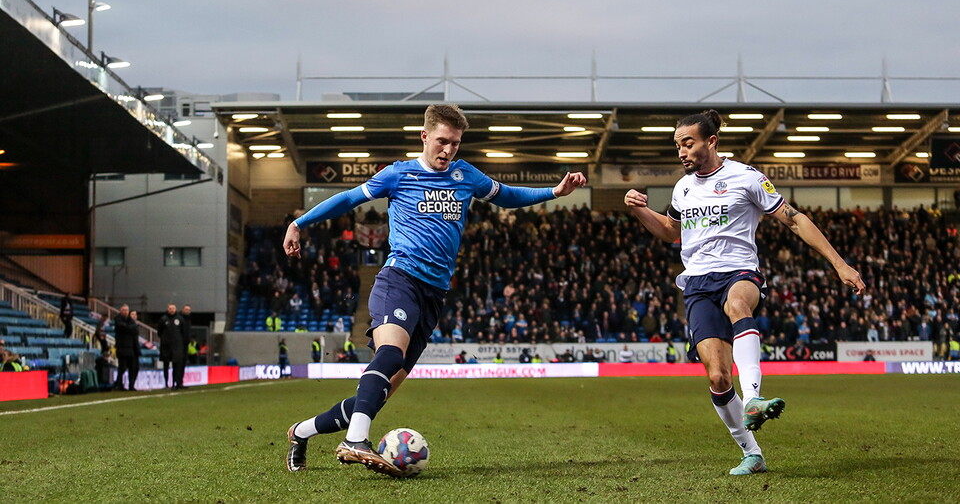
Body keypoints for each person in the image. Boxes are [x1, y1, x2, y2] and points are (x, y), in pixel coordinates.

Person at [283, 104, 586, 475]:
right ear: (424, 136)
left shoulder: (466, 176)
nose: (448, 150)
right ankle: (355, 440)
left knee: (377, 394)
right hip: (399, 280)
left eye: (455, 144)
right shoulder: (398, 174)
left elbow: (507, 195)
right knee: (390, 355)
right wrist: (299, 222)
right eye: (442, 141)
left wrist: (555, 191)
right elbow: (348, 199)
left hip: (434, 294)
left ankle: (301, 431)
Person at [624, 109, 865, 476]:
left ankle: (753, 397)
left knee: (739, 303)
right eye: (677, 146)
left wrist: (839, 263)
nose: (681, 152)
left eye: (687, 143)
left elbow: (794, 218)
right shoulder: (682, 188)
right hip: (698, 285)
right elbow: (671, 232)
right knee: (718, 378)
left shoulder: (745, 177)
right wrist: (641, 212)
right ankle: (752, 453)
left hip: (739, 272)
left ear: (712, 141)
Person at [158, 303, 186, 389]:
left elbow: (183, 331)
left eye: (173, 308)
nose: (172, 310)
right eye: (170, 308)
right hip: (166, 346)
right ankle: (166, 383)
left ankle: (175, 383)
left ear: (175, 309)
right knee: (166, 365)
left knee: (176, 365)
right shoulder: (163, 319)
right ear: (167, 309)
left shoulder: (180, 319)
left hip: (176, 347)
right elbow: (159, 332)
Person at [112, 305, 139, 391]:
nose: (126, 312)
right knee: (122, 367)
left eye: (127, 310)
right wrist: (131, 327)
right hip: (122, 347)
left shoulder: (130, 321)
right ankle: (118, 384)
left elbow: (133, 329)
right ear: (120, 311)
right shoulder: (118, 319)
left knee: (132, 367)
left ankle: (131, 385)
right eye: (124, 310)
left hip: (131, 348)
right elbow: (125, 327)